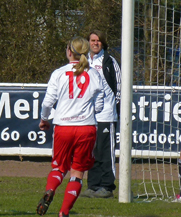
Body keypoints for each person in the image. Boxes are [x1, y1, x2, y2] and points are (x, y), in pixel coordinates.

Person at [36, 36, 104, 217]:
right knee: (78, 172)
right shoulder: (94, 74)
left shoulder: (59, 73)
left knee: (59, 168)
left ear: (69, 52)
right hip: (86, 128)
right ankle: (64, 212)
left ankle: (50, 190)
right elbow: (99, 106)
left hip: (63, 127)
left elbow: (48, 102)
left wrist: (44, 119)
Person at [80, 30, 121, 199]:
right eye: (92, 40)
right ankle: (93, 185)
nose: (95, 43)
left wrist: (114, 108)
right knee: (91, 152)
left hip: (106, 115)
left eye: (98, 41)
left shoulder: (110, 62)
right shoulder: (83, 61)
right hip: (88, 116)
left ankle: (107, 187)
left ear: (103, 43)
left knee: (106, 152)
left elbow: (120, 87)